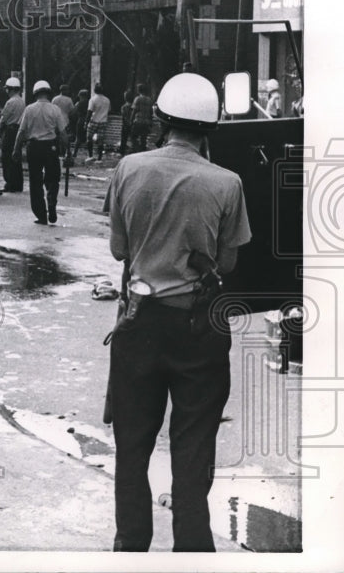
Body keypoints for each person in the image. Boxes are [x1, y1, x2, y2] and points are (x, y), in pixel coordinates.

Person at [103, 72, 251, 552]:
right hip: (199, 330)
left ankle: (131, 546)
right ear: (210, 128)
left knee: (132, 447)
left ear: (162, 120)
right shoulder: (228, 183)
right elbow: (227, 262)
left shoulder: (128, 167)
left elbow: (117, 249)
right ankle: (191, 551)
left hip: (139, 324)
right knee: (192, 450)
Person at [14, 80, 69, 225]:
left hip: (34, 147)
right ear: (48, 93)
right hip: (51, 147)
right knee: (53, 177)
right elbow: (63, 133)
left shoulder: (29, 109)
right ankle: (51, 201)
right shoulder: (55, 110)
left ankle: (41, 215)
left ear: (35, 94)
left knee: (35, 181)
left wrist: (16, 149)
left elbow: (21, 132)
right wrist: (67, 150)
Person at [0, 76, 25, 193]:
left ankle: (9, 183)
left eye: (8, 89)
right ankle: (18, 183)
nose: (7, 91)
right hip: (19, 130)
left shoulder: (10, 102)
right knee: (16, 157)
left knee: (7, 156)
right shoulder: (22, 101)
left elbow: (4, 118)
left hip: (10, 130)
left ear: (11, 89)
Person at [85, 83, 111, 162]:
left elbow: (89, 111)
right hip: (103, 121)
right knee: (100, 141)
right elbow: (109, 110)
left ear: (94, 90)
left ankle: (90, 156)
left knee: (89, 139)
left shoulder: (93, 99)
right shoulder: (107, 100)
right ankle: (99, 158)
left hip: (94, 121)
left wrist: (86, 122)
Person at [129, 83, 154, 153]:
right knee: (143, 139)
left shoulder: (137, 99)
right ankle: (142, 151)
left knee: (133, 136)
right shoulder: (149, 100)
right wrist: (151, 122)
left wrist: (131, 121)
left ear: (138, 90)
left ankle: (136, 150)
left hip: (138, 121)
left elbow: (134, 111)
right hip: (146, 122)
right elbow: (151, 112)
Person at [70, 88, 91, 159]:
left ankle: (75, 153)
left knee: (78, 138)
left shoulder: (78, 104)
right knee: (89, 138)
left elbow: (73, 113)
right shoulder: (89, 102)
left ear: (80, 95)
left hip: (80, 120)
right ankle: (90, 154)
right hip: (89, 121)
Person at [118, 90, 133, 157]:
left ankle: (122, 152)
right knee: (133, 139)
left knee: (123, 139)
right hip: (132, 124)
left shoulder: (123, 107)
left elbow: (123, 116)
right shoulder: (133, 106)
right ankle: (133, 151)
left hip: (125, 124)